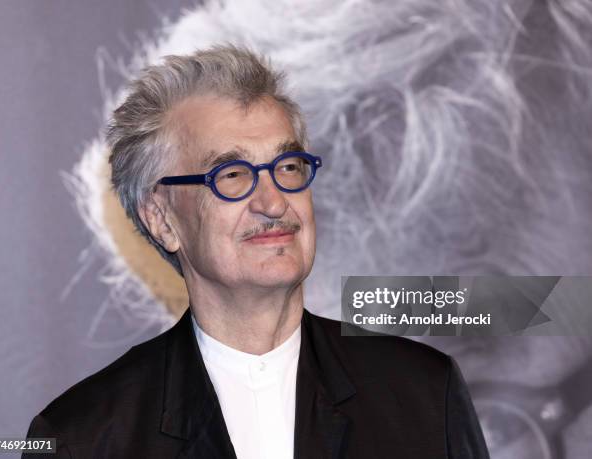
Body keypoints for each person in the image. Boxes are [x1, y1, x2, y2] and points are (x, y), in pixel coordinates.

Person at [24, 45, 489, 459]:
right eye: (231, 175)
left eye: (287, 167)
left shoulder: (424, 394)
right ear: (162, 220)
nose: (273, 202)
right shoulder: (81, 439)